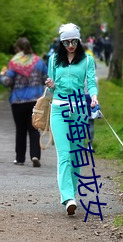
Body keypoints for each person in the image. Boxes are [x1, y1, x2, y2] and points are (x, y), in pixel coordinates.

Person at [45, 23, 98, 215]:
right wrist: (50, 84)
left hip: (79, 110)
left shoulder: (87, 60)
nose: (70, 45)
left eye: (74, 41)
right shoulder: (53, 60)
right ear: (61, 42)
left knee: (76, 156)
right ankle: (68, 197)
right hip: (59, 109)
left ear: (79, 40)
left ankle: (72, 193)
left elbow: (91, 82)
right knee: (65, 154)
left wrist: (93, 96)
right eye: (66, 42)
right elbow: (51, 89)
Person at [0, 37, 48, 167]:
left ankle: (20, 158)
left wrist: (2, 75)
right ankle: (35, 155)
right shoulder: (39, 62)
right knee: (34, 129)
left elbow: (7, 82)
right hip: (35, 101)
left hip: (18, 101)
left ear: (18, 49)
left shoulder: (14, 63)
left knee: (20, 130)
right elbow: (46, 79)